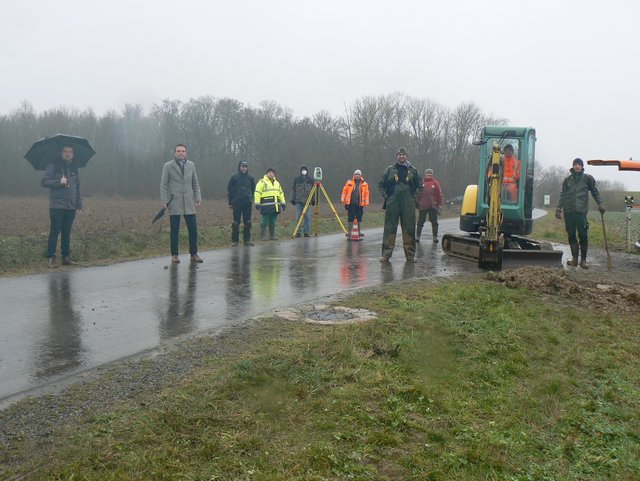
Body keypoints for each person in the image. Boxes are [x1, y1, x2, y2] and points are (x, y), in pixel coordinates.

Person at [555, 158, 605, 268]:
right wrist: (558, 208)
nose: (577, 166)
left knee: (583, 235)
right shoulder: (567, 180)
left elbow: (594, 192)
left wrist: (600, 204)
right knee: (571, 235)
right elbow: (562, 195)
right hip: (568, 211)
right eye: (575, 164)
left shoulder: (588, 179)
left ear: (582, 167)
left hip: (581, 212)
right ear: (573, 166)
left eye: (579, 164)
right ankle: (574, 259)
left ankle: (583, 260)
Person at [378, 147, 422, 262]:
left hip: (409, 203)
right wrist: (387, 197)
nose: (401, 156)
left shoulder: (413, 170)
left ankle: (410, 256)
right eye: (399, 154)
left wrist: (414, 197)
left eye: (403, 154)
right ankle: (386, 255)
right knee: (389, 228)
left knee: (409, 228)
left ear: (406, 156)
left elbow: (419, 186)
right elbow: (381, 185)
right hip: (393, 203)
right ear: (396, 156)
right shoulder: (389, 169)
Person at [41, 144, 83, 268]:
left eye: (70, 152)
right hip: (57, 205)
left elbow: (78, 187)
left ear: (73, 154)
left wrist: (79, 204)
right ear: (61, 153)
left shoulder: (75, 168)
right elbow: (44, 181)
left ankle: (66, 257)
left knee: (67, 232)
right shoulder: (53, 165)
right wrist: (59, 182)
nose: (68, 154)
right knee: (55, 232)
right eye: (65, 151)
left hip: (71, 206)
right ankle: (51, 258)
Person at [160, 144, 203, 264]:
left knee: (193, 229)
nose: (181, 153)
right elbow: (164, 184)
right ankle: (174, 255)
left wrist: (198, 197)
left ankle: (194, 254)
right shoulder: (168, 166)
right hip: (174, 201)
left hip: (189, 201)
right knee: (174, 230)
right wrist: (164, 200)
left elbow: (195, 182)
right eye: (178, 151)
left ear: (186, 152)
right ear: (175, 153)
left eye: (183, 151)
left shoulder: (191, 165)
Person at [227, 160, 256, 246]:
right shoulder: (234, 177)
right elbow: (229, 189)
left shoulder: (251, 178)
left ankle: (246, 240)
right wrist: (230, 202)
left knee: (248, 222)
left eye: (245, 167)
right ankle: (235, 241)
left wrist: (251, 198)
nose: (244, 168)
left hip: (247, 202)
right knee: (236, 222)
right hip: (237, 202)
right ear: (239, 167)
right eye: (243, 166)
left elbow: (253, 189)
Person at [255, 167, 286, 240]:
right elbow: (257, 192)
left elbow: (281, 193)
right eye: (269, 173)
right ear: (266, 174)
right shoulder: (262, 182)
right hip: (266, 206)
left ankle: (272, 236)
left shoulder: (277, 183)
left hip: (275, 206)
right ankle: (262, 237)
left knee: (273, 221)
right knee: (264, 221)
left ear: (274, 174)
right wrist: (257, 203)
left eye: (272, 173)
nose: (271, 174)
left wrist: (283, 203)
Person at [416, 168, 444, 243]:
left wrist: (440, 205)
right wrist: (416, 204)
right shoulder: (421, 183)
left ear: (432, 174)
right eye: (427, 173)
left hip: (433, 206)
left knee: (434, 222)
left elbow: (439, 194)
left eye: (430, 173)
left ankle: (435, 237)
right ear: (425, 174)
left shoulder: (435, 183)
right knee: (420, 222)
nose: (429, 174)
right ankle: (417, 236)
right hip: (422, 206)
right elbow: (417, 194)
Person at [341, 169, 370, 237]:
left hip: (360, 204)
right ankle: (349, 232)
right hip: (351, 204)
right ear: (354, 175)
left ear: (360, 175)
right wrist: (344, 201)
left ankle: (359, 232)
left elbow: (366, 194)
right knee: (350, 218)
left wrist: (366, 204)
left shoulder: (365, 184)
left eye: (358, 174)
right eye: (356, 174)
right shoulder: (349, 182)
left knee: (359, 218)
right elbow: (344, 191)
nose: (357, 175)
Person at [291, 165, 314, 237]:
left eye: (305, 170)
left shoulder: (310, 180)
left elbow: (313, 191)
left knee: (307, 216)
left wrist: (313, 200)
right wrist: (293, 199)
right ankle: (298, 232)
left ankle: (306, 232)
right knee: (298, 216)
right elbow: (293, 190)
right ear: (300, 171)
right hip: (298, 201)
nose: (304, 171)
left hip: (307, 201)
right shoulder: (296, 179)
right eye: (303, 170)